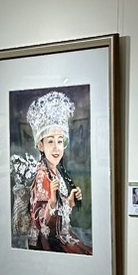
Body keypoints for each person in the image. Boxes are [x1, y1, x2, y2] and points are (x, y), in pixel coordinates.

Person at [11, 90, 91, 254]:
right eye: (50, 141)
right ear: (40, 145)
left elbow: (60, 214)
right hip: (48, 244)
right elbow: (42, 223)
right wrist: (52, 200)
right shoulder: (42, 176)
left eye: (60, 141)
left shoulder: (55, 172)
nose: (56, 148)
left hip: (60, 236)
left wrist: (70, 200)